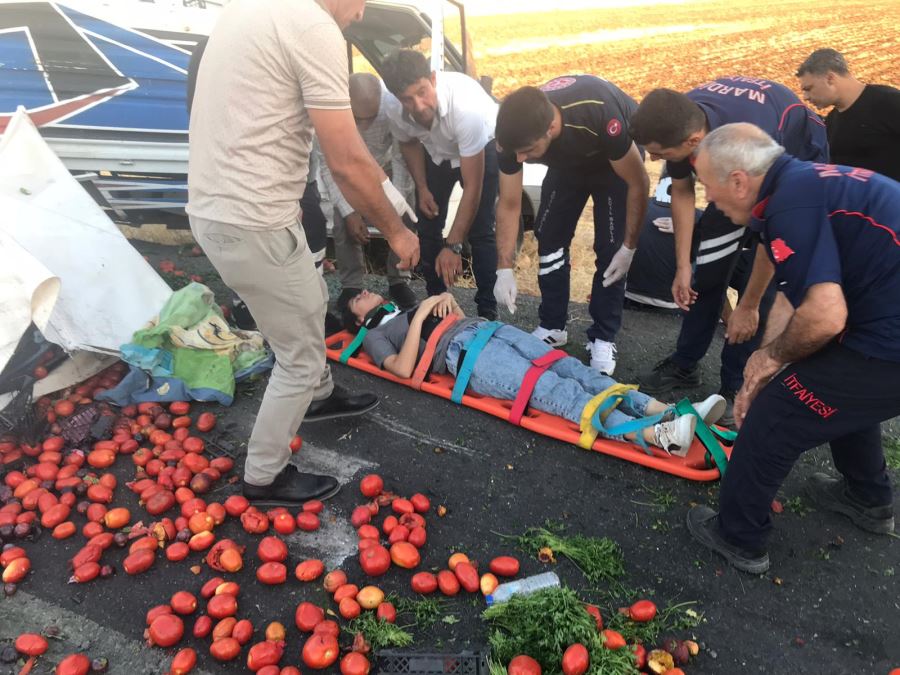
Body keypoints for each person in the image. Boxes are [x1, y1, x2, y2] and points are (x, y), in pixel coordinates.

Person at [187, 0, 420, 506]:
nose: (359, 15)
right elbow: (346, 161)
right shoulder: (314, 28)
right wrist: (398, 232)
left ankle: (318, 396)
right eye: (360, 2)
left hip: (218, 210)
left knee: (309, 298)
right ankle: (264, 477)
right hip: (256, 220)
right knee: (296, 355)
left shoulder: (250, 9)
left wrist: (392, 195)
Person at [685, 123, 900, 573]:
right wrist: (765, 363)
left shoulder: (790, 204)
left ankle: (739, 536)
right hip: (880, 315)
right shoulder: (798, 183)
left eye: (708, 186)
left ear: (739, 180)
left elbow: (824, 315)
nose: (709, 201)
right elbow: (791, 293)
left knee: (778, 413)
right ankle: (867, 498)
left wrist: (772, 363)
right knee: (825, 383)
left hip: (887, 335)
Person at [628, 77, 829, 424]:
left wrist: (747, 306)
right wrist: (683, 267)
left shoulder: (754, 147)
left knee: (761, 288)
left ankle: (737, 383)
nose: (653, 159)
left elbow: (770, 235)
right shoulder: (678, 120)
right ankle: (685, 364)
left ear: (693, 143)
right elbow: (682, 192)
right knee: (706, 274)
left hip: (795, 163)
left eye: (659, 153)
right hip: (730, 169)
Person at [343, 290, 726, 454]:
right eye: (355, 300)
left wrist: (447, 302)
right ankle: (658, 436)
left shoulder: (407, 308)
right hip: (468, 355)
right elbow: (405, 370)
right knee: (555, 390)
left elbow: (454, 319)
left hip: (487, 331)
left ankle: (669, 412)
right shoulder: (375, 336)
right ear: (359, 319)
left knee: (577, 370)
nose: (360, 294)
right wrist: (424, 313)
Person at [493, 77, 650, 375]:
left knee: (611, 246)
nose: (521, 159)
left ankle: (603, 337)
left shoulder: (600, 114)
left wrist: (629, 247)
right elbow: (510, 202)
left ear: (550, 128)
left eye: (527, 150)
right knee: (550, 236)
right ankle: (552, 325)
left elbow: (639, 182)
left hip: (613, 160)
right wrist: (504, 267)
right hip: (568, 163)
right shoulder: (512, 137)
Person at [380, 49, 499, 320]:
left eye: (422, 92)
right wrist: (422, 187)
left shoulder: (466, 107)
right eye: (407, 99)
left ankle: (487, 311)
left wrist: (454, 245)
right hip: (438, 152)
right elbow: (408, 142)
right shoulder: (393, 106)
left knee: (481, 230)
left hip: (482, 147)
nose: (418, 106)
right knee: (428, 222)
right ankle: (436, 302)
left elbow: (473, 187)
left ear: (433, 78)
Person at [317, 73, 418, 312]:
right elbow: (327, 166)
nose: (364, 126)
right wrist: (351, 211)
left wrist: (394, 205)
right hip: (346, 167)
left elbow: (401, 158)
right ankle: (351, 285)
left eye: (370, 118)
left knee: (405, 211)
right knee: (343, 219)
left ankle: (399, 280)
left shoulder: (392, 109)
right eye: (358, 119)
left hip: (385, 166)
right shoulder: (327, 113)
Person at [796, 48, 900, 182]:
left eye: (809, 89)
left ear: (830, 78)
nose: (805, 97)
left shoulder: (888, 102)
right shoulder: (831, 122)